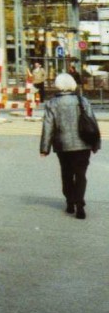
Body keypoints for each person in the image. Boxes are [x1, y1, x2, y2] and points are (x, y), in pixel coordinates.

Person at [40, 72, 100, 219]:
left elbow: (48, 127)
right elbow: (92, 122)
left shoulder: (52, 103)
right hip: (83, 144)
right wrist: (95, 144)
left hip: (63, 145)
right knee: (80, 175)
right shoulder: (83, 100)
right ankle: (80, 204)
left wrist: (44, 148)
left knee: (66, 174)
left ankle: (70, 202)